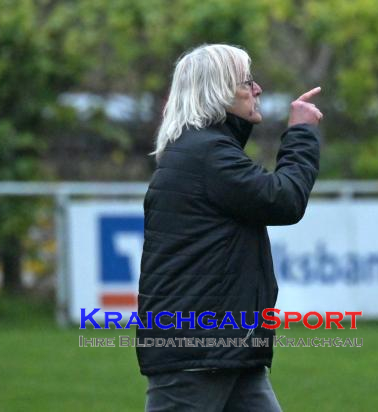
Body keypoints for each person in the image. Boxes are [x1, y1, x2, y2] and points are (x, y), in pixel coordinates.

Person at [137, 44, 323, 412]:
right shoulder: (207, 154)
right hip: (198, 352)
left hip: (224, 349)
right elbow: (283, 199)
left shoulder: (199, 150)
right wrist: (301, 134)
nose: (258, 89)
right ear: (218, 92)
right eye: (247, 82)